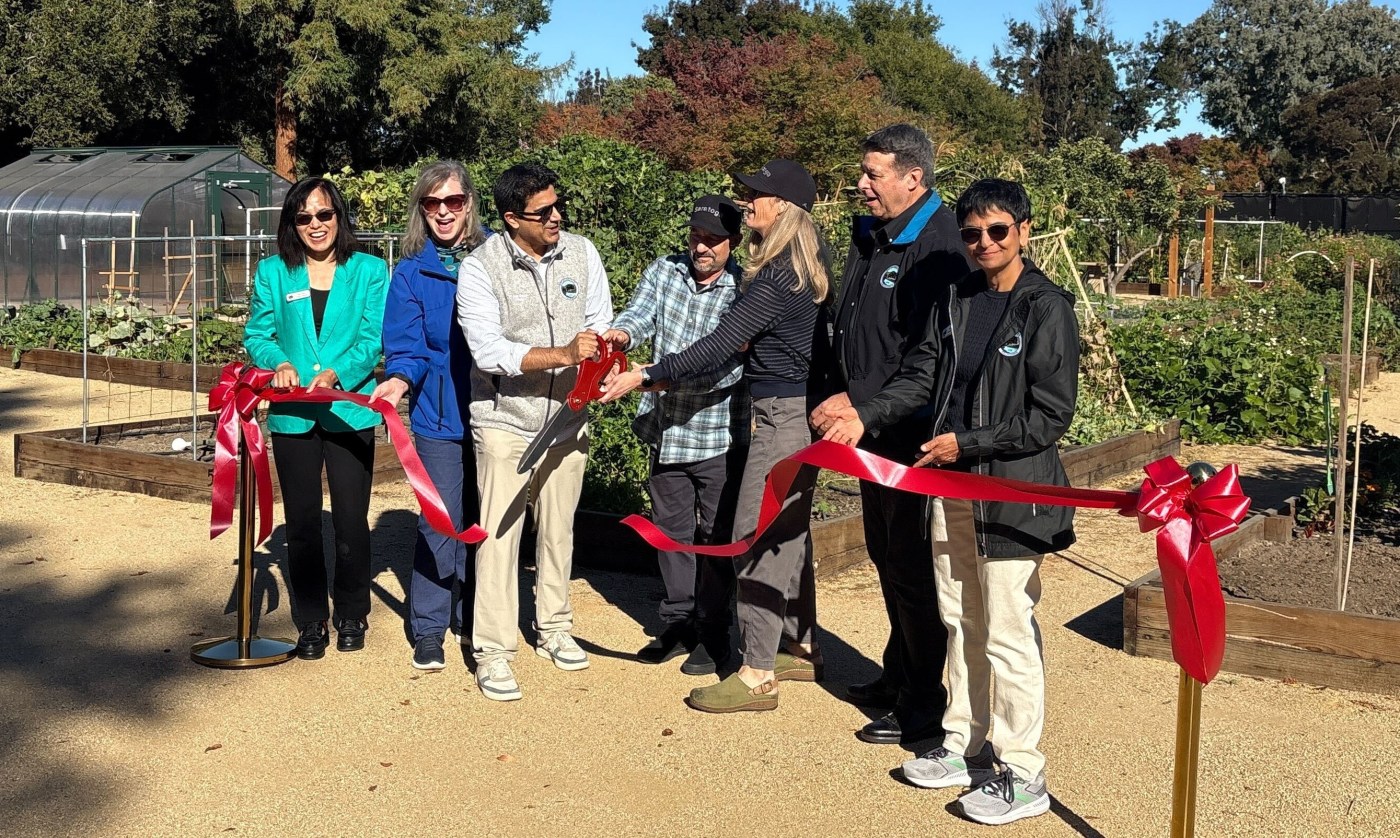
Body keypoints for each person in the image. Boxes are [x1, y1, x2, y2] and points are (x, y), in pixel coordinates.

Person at [820, 179, 1079, 825]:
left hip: (1009, 494)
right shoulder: (957, 299)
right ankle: (963, 744)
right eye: (971, 233)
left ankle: (1023, 772)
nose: (983, 243)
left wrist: (968, 443)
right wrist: (865, 413)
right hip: (948, 487)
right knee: (961, 618)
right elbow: (919, 377)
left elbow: (1049, 415)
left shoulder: (1046, 308)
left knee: (1007, 631)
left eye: (997, 230)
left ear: (1023, 229)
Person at [602, 159, 830, 713]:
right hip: (796, 412)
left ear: (784, 207)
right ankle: (799, 645)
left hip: (781, 418)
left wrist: (645, 375)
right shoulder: (803, 266)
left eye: (757, 193)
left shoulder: (776, 278)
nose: (746, 200)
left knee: (754, 535)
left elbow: (720, 344)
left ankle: (756, 674)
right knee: (789, 532)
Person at [809, 124, 971, 745]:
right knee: (886, 556)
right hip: (868, 429)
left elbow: (925, 361)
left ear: (913, 177)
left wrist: (865, 405)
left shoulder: (939, 248)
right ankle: (899, 672)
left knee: (912, 569)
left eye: (873, 173)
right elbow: (855, 327)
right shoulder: (876, 238)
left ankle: (923, 707)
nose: (861, 184)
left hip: (906, 436)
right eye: (864, 172)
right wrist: (839, 388)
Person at [455, 163, 614, 701]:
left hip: (569, 418)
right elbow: (489, 353)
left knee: (558, 531)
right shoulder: (479, 269)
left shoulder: (582, 253)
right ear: (509, 219)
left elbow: (598, 318)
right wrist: (564, 354)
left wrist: (602, 354)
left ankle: (555, 629)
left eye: (557, 205)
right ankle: (494, 653)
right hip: (504, 422)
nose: (556, 217)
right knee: (499, 539)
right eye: (542, 212)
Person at [243, 177, 390, 660]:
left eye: (324, 215)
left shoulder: (369, 270)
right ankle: (310, 620)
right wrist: (278, 364)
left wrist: (340, 373)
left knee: (351, 519)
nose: (315, 225)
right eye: (303, 217)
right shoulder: (273, 272)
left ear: (339, 218)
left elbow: (373, 339)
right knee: (302, 523)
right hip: (293, 414)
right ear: (292, 223)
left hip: (349, 409)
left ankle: (352, 611)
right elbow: (258, 333)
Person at [601, 195, 748, 676]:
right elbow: (639, 315)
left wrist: (654, 378)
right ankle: (678, 622)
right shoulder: (666, 270)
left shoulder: (742, 288)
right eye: (696, 236)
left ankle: (713, 630)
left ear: (733, 242)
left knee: (714, 535)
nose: (701, 247)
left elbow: (727, 368)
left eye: (713, 239)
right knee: (670, 532)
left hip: (714, 433)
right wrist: (620, 337)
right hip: (666, 429)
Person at [370, 161, 489, 671]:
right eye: (432, 203)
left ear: (469, 205)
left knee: (489, 520)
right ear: (423, 208)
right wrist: (399, 379)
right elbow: (407, 345)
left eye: (453, 202)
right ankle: (430, 627)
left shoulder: (496, 259)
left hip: (495, 410)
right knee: (440, 520)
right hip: (439, 413)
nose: (443, 212)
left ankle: (479, 615)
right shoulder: (412, 271)